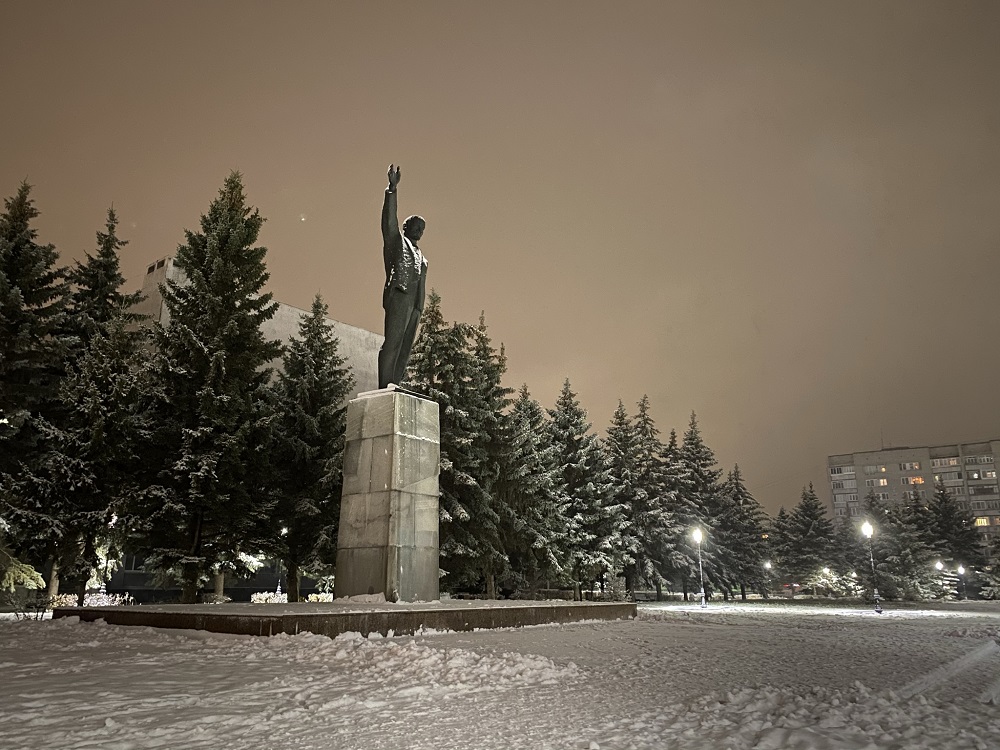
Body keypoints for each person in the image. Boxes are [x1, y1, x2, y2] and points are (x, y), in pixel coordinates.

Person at [378, 164, 428, 389]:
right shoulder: (397, 242)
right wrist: (392, 189)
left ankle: (395, 383)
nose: (418, 231)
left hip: (415, 304)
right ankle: (385, 384)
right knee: (393, 343)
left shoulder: (422, 257)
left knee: (406, 347)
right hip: (399, 294)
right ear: (406, 228)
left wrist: (419, 306)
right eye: (415, 226)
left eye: (421, 229)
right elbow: (389, 221)